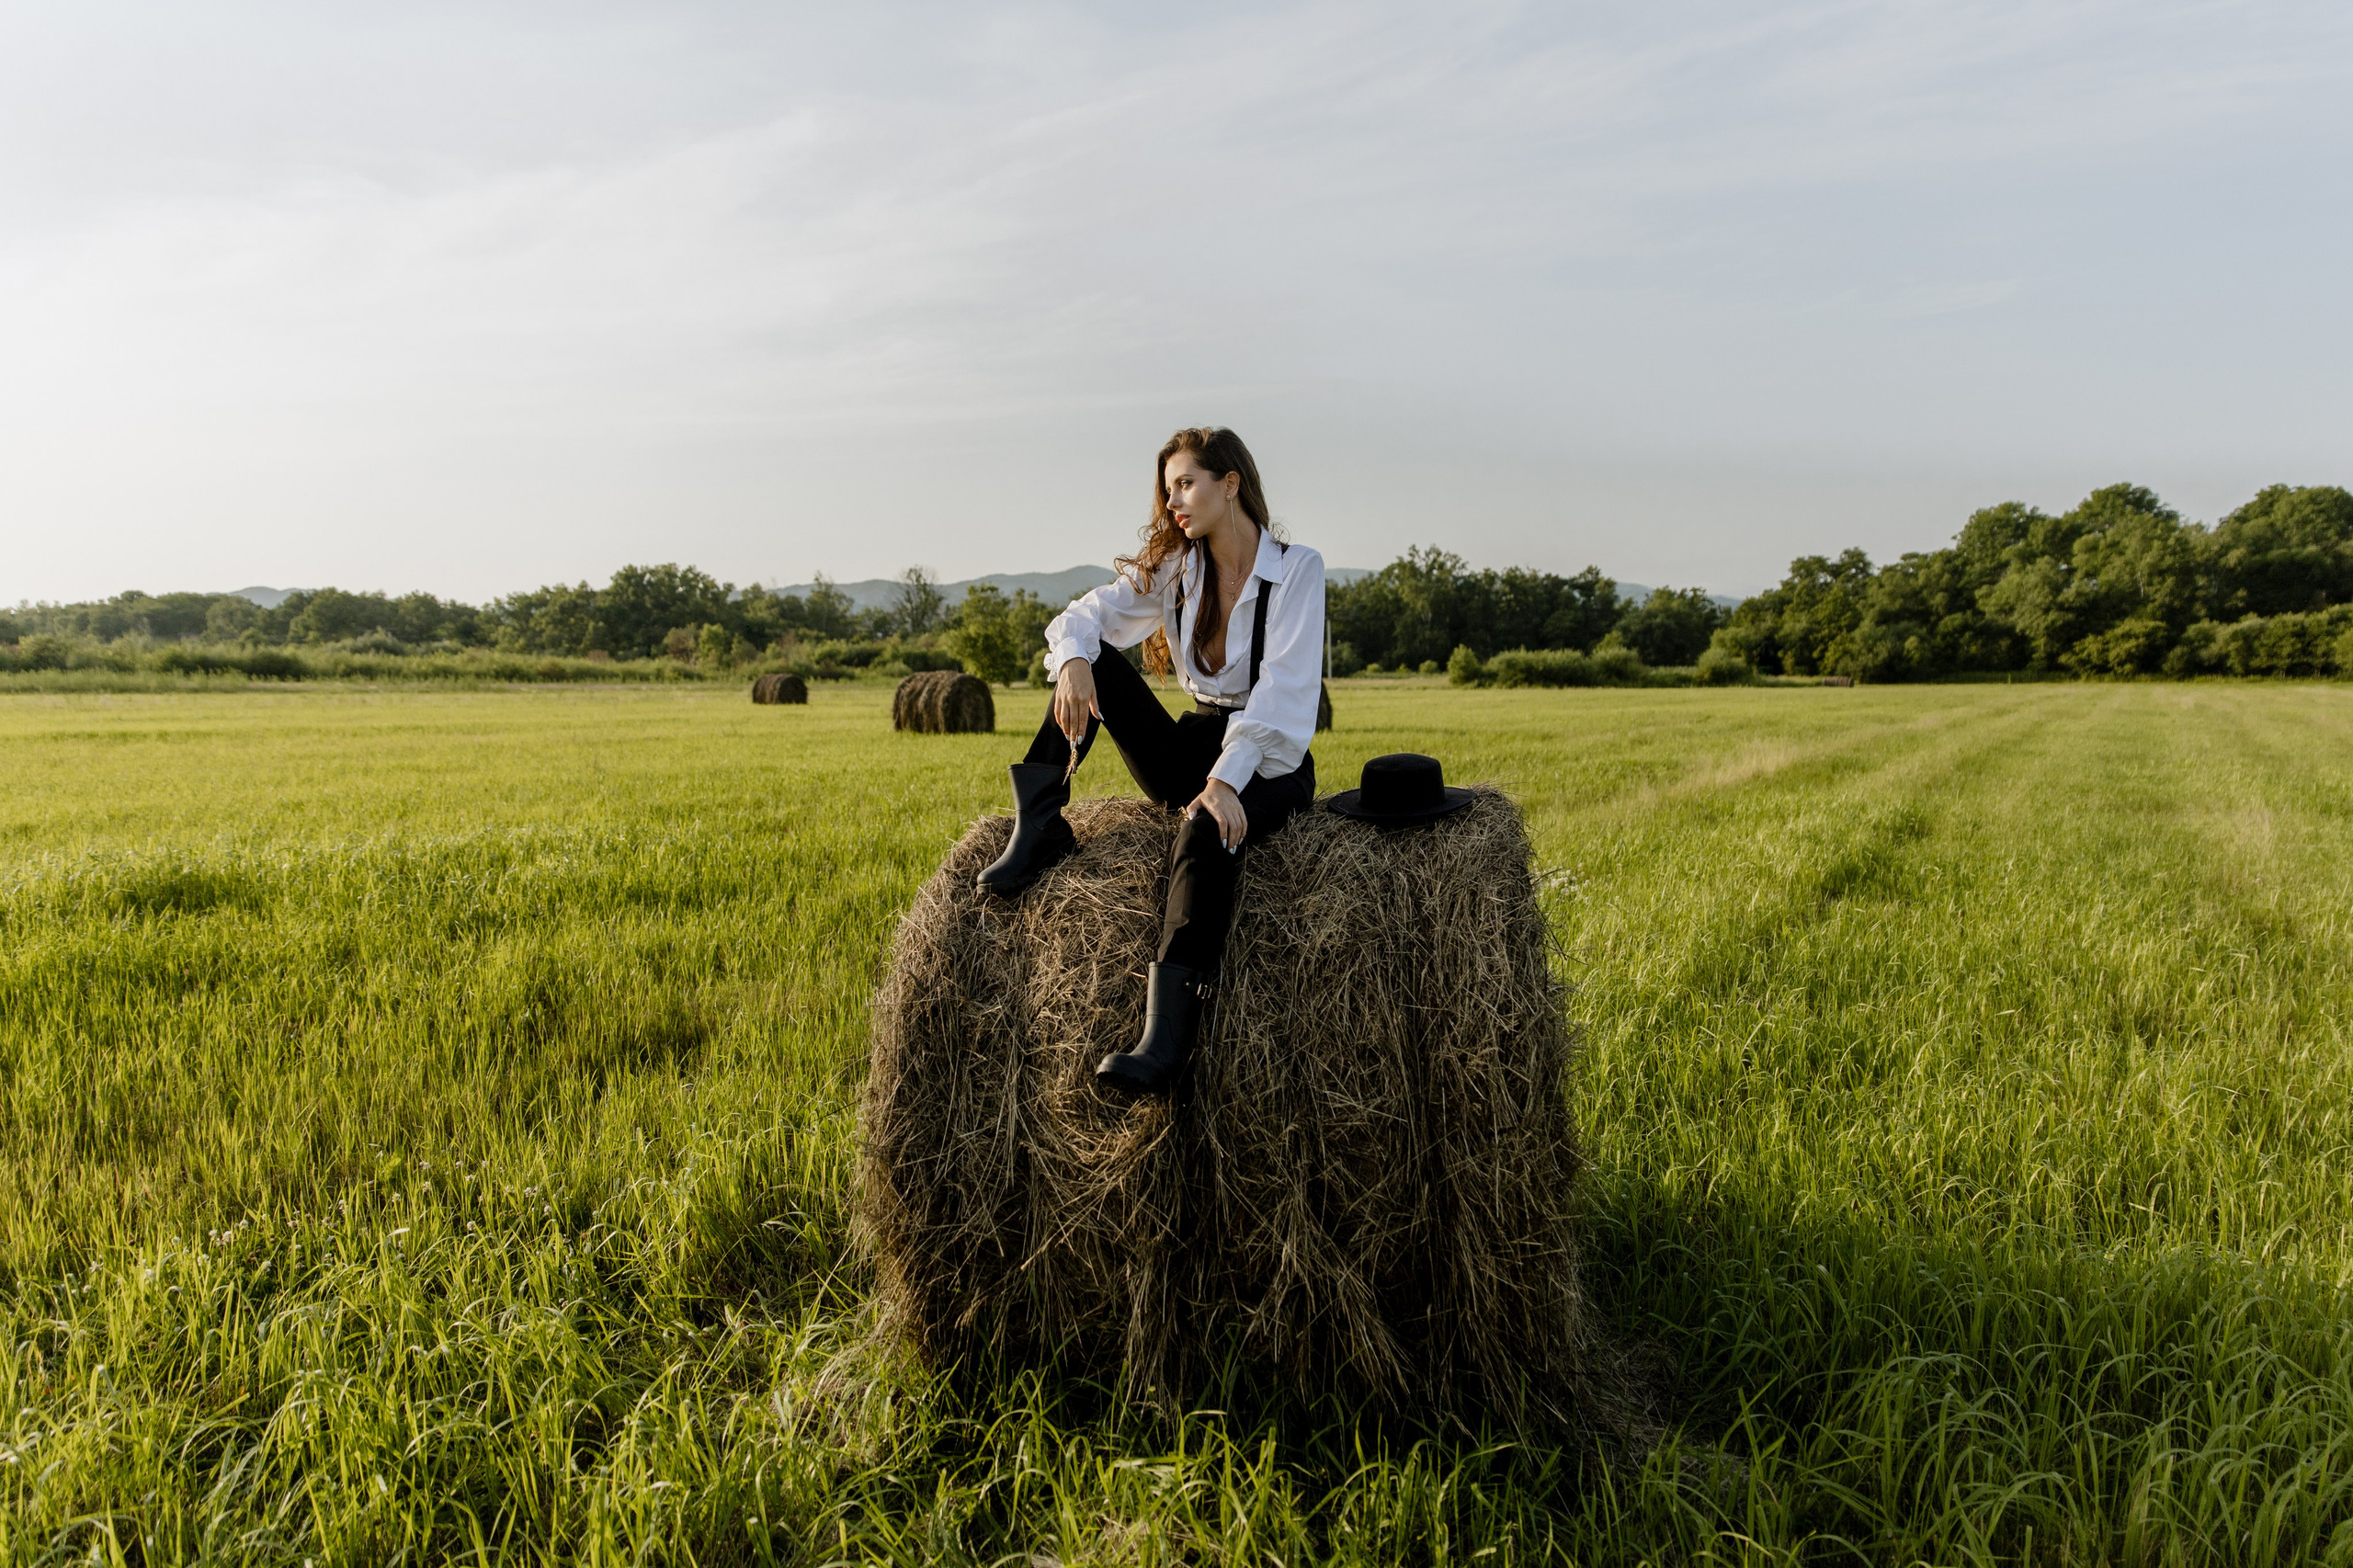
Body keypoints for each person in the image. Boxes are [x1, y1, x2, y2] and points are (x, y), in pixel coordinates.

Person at [976, 426, 1325, 1096]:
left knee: (1203, 830)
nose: (1174, 504)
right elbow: (1082, 615)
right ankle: (1041, 819)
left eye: (1186, 485)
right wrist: (1076, 662)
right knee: (1091, 660)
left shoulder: (1297, 569)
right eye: (1168, 492)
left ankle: (1167, 1037)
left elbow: (1283, 697)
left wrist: (1225, 783)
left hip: (1270, 763)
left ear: (1231, 483)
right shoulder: (1178, 567)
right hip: (1190, 743)